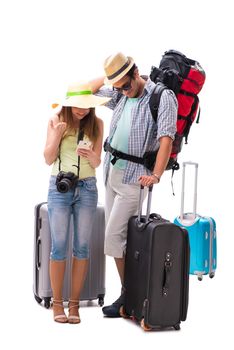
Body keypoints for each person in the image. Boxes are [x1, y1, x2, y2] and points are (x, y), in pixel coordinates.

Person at [91, 52, 178, 317]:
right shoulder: (120, 92)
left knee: (113, 239)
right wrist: (112, 77)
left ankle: (129, 294)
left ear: (136, 72)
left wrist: (157, 175)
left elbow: (166, 138)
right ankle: (131, 293)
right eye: (118, 87)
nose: (124, 92)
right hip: (112, 172)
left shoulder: (161, 97)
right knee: (120, 239)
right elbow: (87, 91)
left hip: (135, 178)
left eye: (127, 85)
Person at [43, 83, 110, 323]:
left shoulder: (97, 124)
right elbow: (48, 157)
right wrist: (59, 134)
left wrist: (93, 157)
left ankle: (75, 306)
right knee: (58, 247)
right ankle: (57, 304)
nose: (81, 112)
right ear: (69, 103)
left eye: (86, 107)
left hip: (88, 187)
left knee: (82, 247)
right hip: (59, 187)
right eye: (77, 107)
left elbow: (97, 161)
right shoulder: (56, 119)